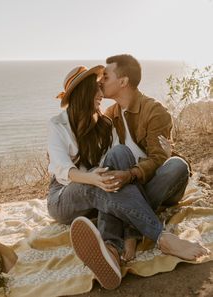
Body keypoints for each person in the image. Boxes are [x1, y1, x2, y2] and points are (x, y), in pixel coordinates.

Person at [47, 65, 210, 290]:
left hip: (101, 190)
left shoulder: (105, 124)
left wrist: (160, 156)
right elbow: (63, 170)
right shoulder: (58, 125)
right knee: (102, 186)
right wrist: (94, 179)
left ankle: (111, 250)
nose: (101, 94)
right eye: (96, 89)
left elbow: (119, 163)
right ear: (83, 93)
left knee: (120, 156)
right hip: (65, 195)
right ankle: (160, 237)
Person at [99, 54, 193, 260]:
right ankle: (112, 247)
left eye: (105, 77)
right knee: (114, 162)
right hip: (129, 187)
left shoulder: (154, 111)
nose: (100, 81)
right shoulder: (109, 114)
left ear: (123, 81)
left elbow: (159, 158)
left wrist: (131, 175)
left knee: (177, 165)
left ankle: (129, 232)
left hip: (158, 183)